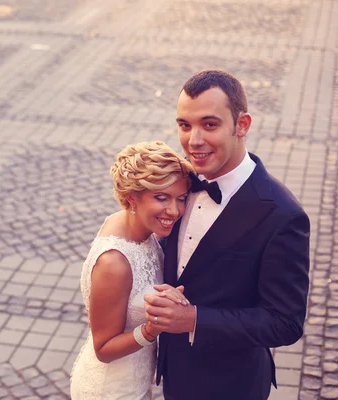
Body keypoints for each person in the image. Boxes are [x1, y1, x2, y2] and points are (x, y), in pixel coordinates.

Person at [144, 70, 311, 400]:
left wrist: (194, 319)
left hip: (230, 386)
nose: (193, 140)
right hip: (174, 374)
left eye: (210, 125)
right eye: (184, 125)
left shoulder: (282, 215)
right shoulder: (180, 182)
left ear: (242, 125)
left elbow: (285, 322)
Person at [70, 141, 194, 399]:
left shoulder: (132, 224)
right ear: (131, 198)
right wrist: (152, 328)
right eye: (161, 198)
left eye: (180, 199)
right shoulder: (114, 262)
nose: (174, 210)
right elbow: (103, 348)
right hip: (111, 390)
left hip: (134, 380)